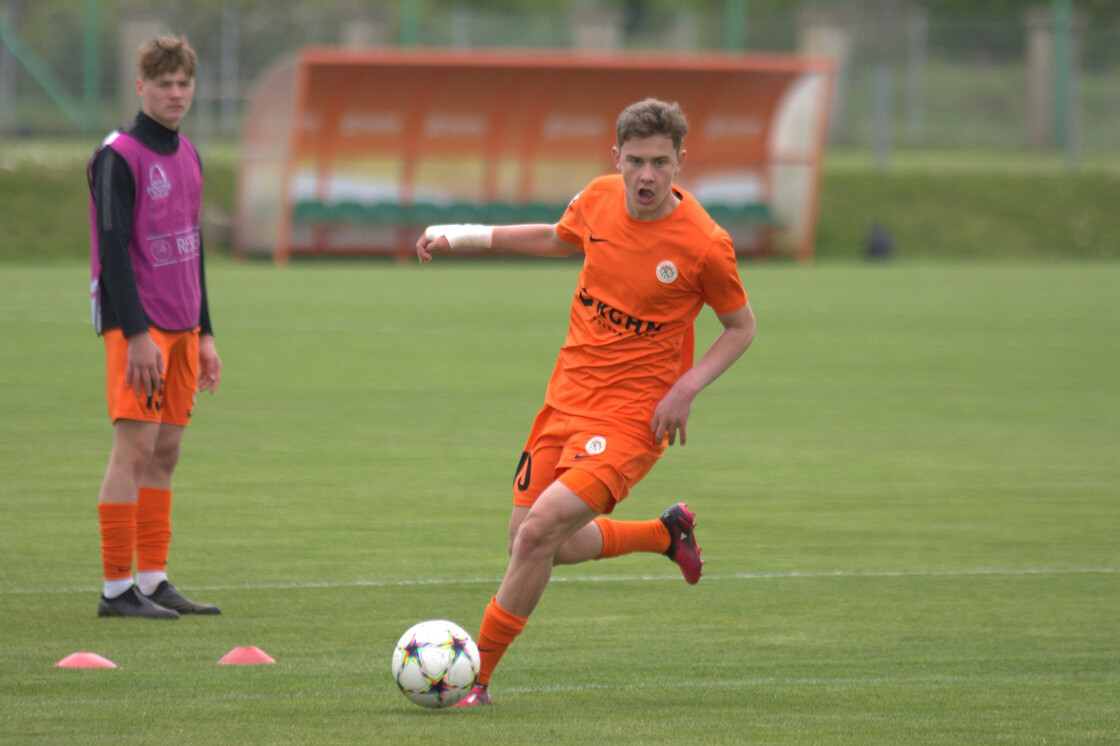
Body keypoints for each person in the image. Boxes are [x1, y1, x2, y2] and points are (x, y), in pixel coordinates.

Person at [416, 98, 756, 705]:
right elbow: (555, 237)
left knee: (540, 531)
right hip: (564, 399)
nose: (646, 176)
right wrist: (461, 235)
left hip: (631, 419)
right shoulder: (598, 198)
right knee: (537, 541)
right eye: (635, 162)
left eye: (659, 162)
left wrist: (686, 387)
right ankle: (664, 534)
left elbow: (740, 327)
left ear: (681, 161)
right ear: (616, 159)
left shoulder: (706, 244)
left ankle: (477, 680)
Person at [87, 35, 222, 619]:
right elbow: (113, 250)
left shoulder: (188, 153)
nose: (175, 93)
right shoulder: (118, 154)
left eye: (183, 83)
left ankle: (153, 578)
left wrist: (207, 333)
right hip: (137, 326)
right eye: (163, 83)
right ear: (140, 86)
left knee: (166, 451)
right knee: (134, 448)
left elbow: (192, 251)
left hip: (183, 325)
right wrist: (136, 333)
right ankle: (117, 590)